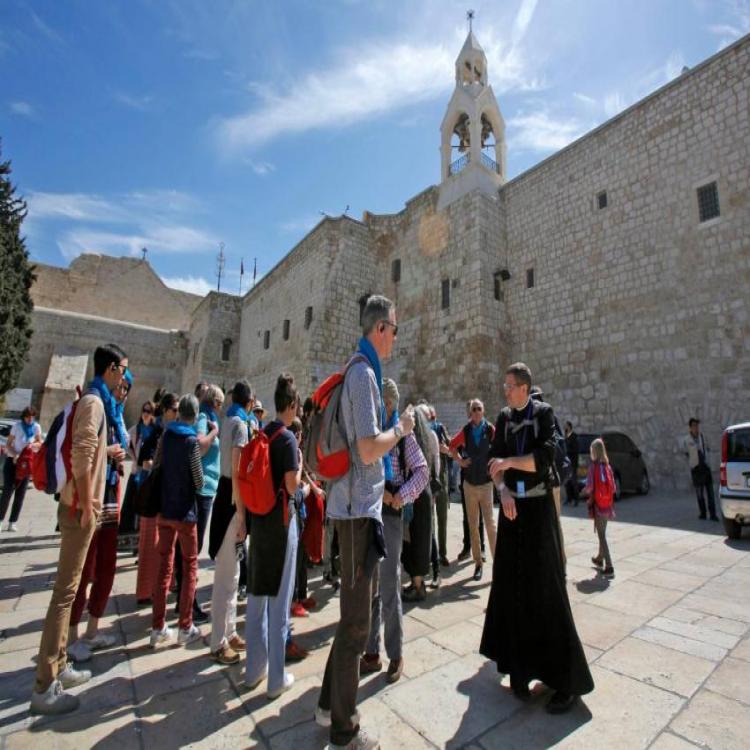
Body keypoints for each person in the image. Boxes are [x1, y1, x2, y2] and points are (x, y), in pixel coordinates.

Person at [315, 294, 415, 750]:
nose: (396, 334)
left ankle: (324, 706)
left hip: (359, 510)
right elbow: (370, 447)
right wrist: (404, 428)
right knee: (357, 625)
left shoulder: (365, 371)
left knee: (352, 620)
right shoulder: (363, 375)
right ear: (380, 328)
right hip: (357, 513)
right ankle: (344, 730)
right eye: (394, 327)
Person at [481, 362, 594, 714]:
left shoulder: (544, 414)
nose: (505, 390)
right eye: (505, 385)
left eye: (510, 385)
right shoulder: (502, 417)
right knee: (512, 588)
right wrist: (503, 490)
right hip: (513, 511)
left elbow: (545, 459)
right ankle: (519, 669)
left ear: (525, 387)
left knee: (547, 589)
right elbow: (492, 463)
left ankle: (566, 681)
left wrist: (510, 462)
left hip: (540, 511)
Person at [30, 343, 128, 715]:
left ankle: (59, 665)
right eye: (122, 370)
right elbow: (82, 454)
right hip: (78, 508)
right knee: (65, 594)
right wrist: (88, 504)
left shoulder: (98, 402)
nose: (124, 378)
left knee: (69, 593)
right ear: (111, 370)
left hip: (80, 505)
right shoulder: (94, 403)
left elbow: (91, 451)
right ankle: (44, 686)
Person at [361, 378, 427, 683]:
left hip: (390, 512)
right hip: (370, 510)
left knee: (388, 585)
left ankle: (396, 655)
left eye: (388, 402)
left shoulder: (402, 435)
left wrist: (401, 497)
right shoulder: (375, 433)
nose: (384, 406)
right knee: (370, 586)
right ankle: (371, 652)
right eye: (381, 401)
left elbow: (422, 471)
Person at [245, 374, 303, 698]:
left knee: (256, 597)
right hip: (282, 524)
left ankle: (254, 669)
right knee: (279, 604)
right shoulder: (288, 439)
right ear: (292, 404)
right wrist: (300, 463)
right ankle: (276, 679)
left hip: (259, 523)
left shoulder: (262, 432)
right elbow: (292, 486)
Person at [67, 370, 132, 663]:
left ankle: (93, 630)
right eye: (122, 385)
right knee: (84, 567)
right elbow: (82, 450)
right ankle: (71, 635)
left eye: (127, 388)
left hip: (110, 495)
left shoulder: (115, 414)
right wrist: (107, 453)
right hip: (93, 496)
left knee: (106, 564)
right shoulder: (94, 404)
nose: (123, 391)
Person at [149, 394, 204, 648]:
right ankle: (185, 625)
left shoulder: (166, 436)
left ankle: (158, 626)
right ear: (194, 415)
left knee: (164, 567)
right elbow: (199, 480)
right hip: (185, 514)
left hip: (164, 511)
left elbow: (156, 468)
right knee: (190, 567)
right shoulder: (191, 441)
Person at [208, 380, 253, 665]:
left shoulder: (225, 420)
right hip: (232, 500)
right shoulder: (240, 425)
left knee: (233, 573)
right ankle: (218, 641)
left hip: (225, 495)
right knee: (226, 576)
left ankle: (230, 630)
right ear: (249, 403)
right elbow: (238, 469)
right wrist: (243, 514)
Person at [173, 385, 221, 625]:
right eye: (220, 403)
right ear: (215, 403)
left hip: (204, 489)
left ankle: (183, 601)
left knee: (190, 548)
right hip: (201, 491)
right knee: (192, 549)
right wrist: (215, 433)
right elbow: (200, 446)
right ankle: (188, 605)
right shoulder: (205, 418)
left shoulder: (204, 416)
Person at [135, 392, 178, 606]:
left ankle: (159, 587)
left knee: (162, 546)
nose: (178, 414)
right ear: (167, 411)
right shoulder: (159, 431)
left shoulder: (166, 430)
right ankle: (145, 591)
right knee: (151, 546)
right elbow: (144, 460)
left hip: (162, 496)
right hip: (154, 496)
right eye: (175, 410)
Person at [449, 399, 497, 581]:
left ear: (483, 411)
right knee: (473, 525)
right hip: (469, 484)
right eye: (473, 409)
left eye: (479, 409)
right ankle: (478, 563)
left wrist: (497, 464)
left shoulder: (490, 430)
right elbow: (452, 446)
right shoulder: (466, 430)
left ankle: (498, 564)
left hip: (486, 484)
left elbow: (501, 446)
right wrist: (460, 461)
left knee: (491, 525)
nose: (476, 412)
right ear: (470, 412)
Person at [401, 405, 436, 600]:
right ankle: (417, 583)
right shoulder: (429, 440)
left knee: (414, 540)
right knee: (421, 539)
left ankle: (418, 586)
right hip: (425, 492)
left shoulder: (412, 442)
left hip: (415, 494)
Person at [1, 406, 42, 531]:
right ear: (24, 417)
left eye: (32, 417)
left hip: (26, 463)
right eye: (28, 416)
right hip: (12, 461)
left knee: (20, 494)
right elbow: (8, 444)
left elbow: (40, 443)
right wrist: (14, 455)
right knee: (7, 492)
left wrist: (32, 444)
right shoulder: (17, 426)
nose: (30, 419)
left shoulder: (36, 427)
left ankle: (12, 522)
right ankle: (0, 519)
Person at [583, 438, 616, 577]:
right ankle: (599, 559)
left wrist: (584, 491)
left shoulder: (593, 467)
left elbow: (590, 487)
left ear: (594, 452)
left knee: (601, 535)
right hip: (607, 506)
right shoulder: (607, 466)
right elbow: (613, 487)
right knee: (602, 532)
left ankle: (609, 565)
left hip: (598, 506)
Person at [683, 418, 718, 521]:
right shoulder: (687, 440)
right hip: (696, 469)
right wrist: (692, 462)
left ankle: (713, 514)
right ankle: (702, 513)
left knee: (710, 492)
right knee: (699, 493)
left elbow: (708, 448)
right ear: (690, 427)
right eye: (694, 426)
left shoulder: (703, 437)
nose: (696, 428)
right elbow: (685, 452)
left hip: (705, 467)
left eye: (697, 426)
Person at [430, 405, 451, 568]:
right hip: (427, 481)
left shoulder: (440, 428)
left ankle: (442, 553)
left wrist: (445, 449)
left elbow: (451, 449)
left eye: (431, 415)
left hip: (441, 480)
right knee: (430, 520)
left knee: (442, 518)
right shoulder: (420, 431)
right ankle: (432, 553)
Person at [563, 421, 579, 506]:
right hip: (566, 464)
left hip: (572, 463)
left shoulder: (574, 436)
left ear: (569, 426)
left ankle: (576, 499)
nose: (564, 427)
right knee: (566, 482)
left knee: (574, 482)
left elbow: (575, 450)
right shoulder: (565, 437)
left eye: (565, 425)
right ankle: (568, 499)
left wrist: (567, 451)